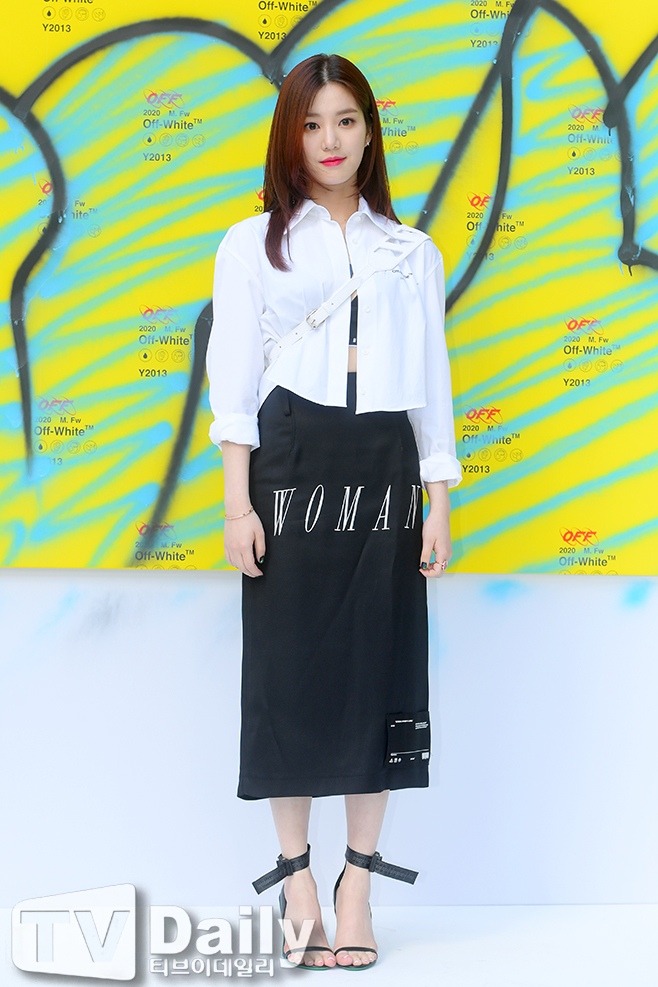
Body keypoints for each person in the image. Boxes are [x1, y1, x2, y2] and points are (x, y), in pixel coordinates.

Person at [206, 53, 462, 969]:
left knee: (376, 666)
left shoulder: (412, 250)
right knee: (287, 671)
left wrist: (437, 499)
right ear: (290, 134)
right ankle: (297, 880)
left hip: (384, 462)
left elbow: (431, 380)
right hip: (289, 459)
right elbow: (234, 384)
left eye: (346, 120)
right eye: (312, 123)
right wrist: (237, 504)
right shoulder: (252, 244)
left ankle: (358, 883)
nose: (330, 140)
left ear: (369, 131)